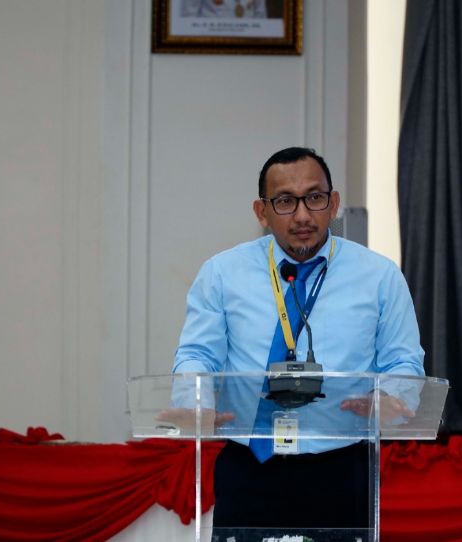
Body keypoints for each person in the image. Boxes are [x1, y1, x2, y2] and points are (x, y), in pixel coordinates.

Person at [172, 147, 425, 540]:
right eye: (286, 201)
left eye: (315, 198)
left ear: (333, 203)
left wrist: (390, 399)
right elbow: (197, 353)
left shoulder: (379, 276)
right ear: (262, 211)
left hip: (342, 467)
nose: (303, 215)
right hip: (250, 467)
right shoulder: (222, 273)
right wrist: (195, 401)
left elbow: (403, 361)